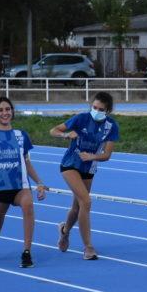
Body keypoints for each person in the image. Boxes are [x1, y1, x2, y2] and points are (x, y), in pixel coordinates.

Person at [0, 97, 47, 268]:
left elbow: (26, 162)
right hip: (0, 188)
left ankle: (26, 252)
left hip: (21, 186)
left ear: (12, 111)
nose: (5, 113)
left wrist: (39, 182)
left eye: (8, 109)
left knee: (28, 206)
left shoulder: (21, 135)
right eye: (0, 110)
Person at [50, 92, 119, 261]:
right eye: (94, 107)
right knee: (86, 201)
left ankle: (64, 231)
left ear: (107, 111)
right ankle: (88, 247)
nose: (96, 111)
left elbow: (107, 155)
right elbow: (54, 130)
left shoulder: (112, 126)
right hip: (70, 164)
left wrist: (92, 157)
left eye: (100, 109)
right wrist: (65, 135)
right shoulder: (81, 118)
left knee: (78, 206)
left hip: (89, 167)